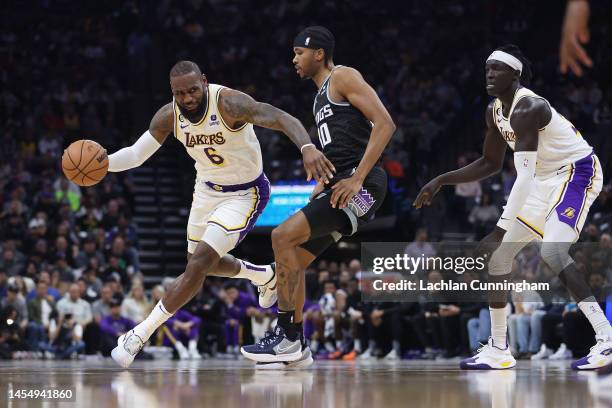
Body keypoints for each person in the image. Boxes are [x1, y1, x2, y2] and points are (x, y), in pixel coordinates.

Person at [109, 60, 333, 368]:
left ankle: (138, 335)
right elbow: (136, 154)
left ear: (203, 81)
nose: (187, 98)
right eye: (179, 93)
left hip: (245, 192)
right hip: (206, 190)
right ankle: (263, 275)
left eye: (192, 90)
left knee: (198, 266)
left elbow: (281, 117)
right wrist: (103, 164)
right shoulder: (168, 116)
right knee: (200, 265)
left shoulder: (229, 103)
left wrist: (307, 146)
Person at [414, 44, 610, 371]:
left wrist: (500, 228)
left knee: (553, 252)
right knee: (499, 257)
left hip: (577, 172)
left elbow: (523, 176)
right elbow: (491, 163)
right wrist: (441, 179)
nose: (489, 74)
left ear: (515, 74)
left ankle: (606, 337)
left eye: (497, 68)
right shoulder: (493, 111)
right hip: (542, 179)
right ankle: (499, 348)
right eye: (486, 68)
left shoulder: (528, 108)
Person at [241, 26, 395, 365]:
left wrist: (357, 177)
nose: (294, 59)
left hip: (363, 185)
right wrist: (321, 186)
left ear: (318, 53)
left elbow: (385, 124)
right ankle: (297, 347)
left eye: (299, 52)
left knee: (281, 236)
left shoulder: (343, 76)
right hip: (342, 185)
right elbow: (340, 152)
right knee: (293, 257)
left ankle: (286, 337)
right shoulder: (319, 98)